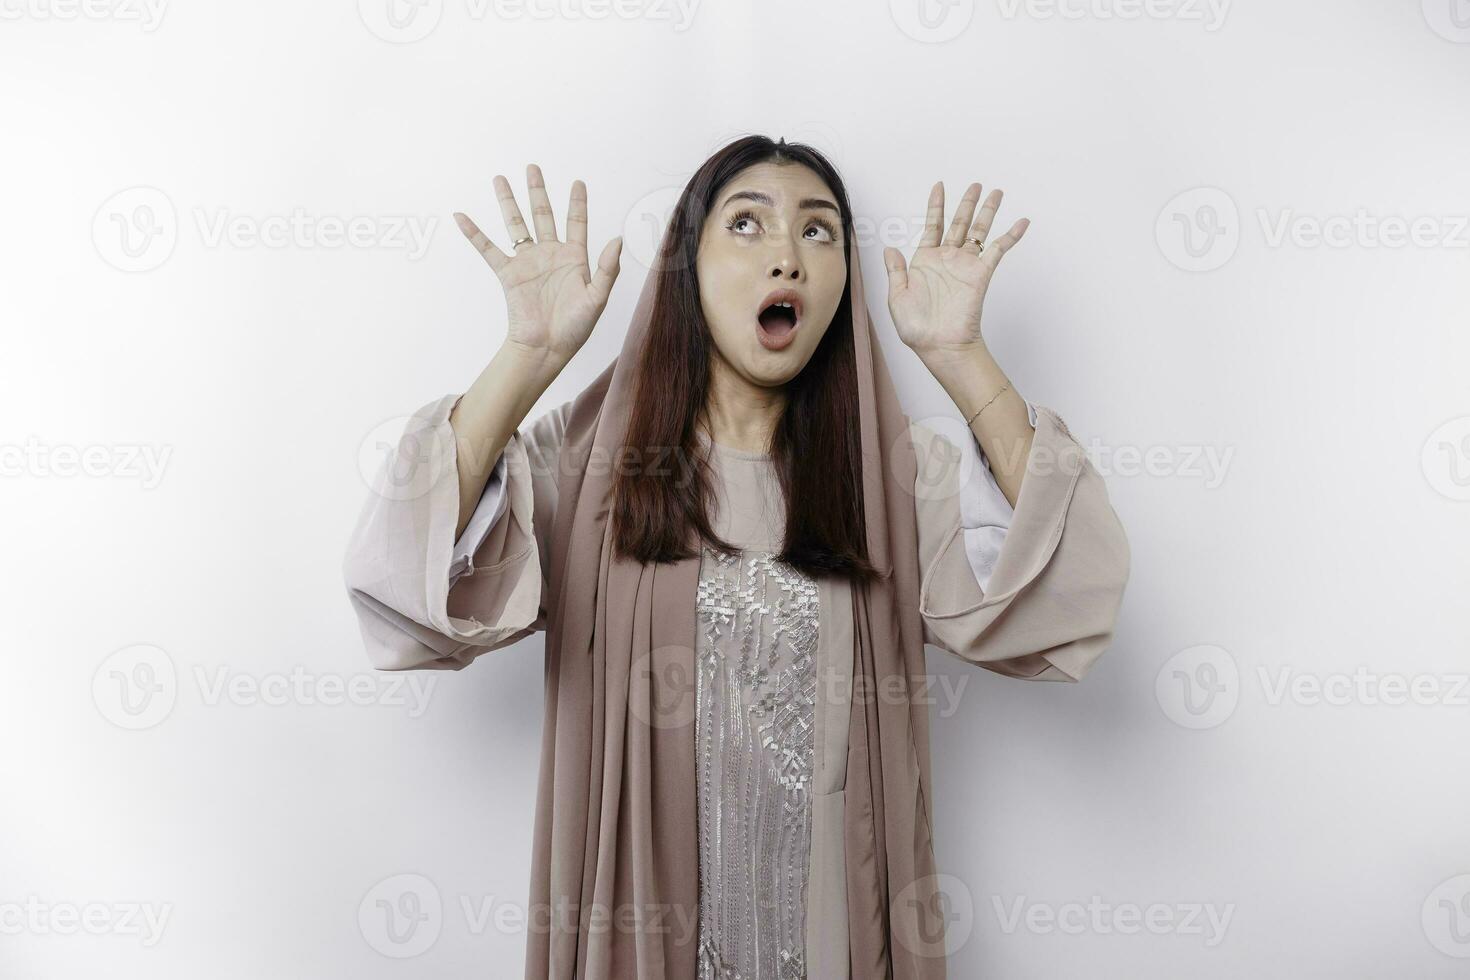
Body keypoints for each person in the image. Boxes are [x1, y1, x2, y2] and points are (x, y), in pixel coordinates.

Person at [342, 135, 1130, 980]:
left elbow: (1068, 593)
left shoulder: (893, 479)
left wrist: (961, 360)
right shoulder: (593, 469)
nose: (787, 256)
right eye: (747, 224)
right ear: (689, 266)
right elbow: (411, 591)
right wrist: (526, 360)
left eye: (819, 232)